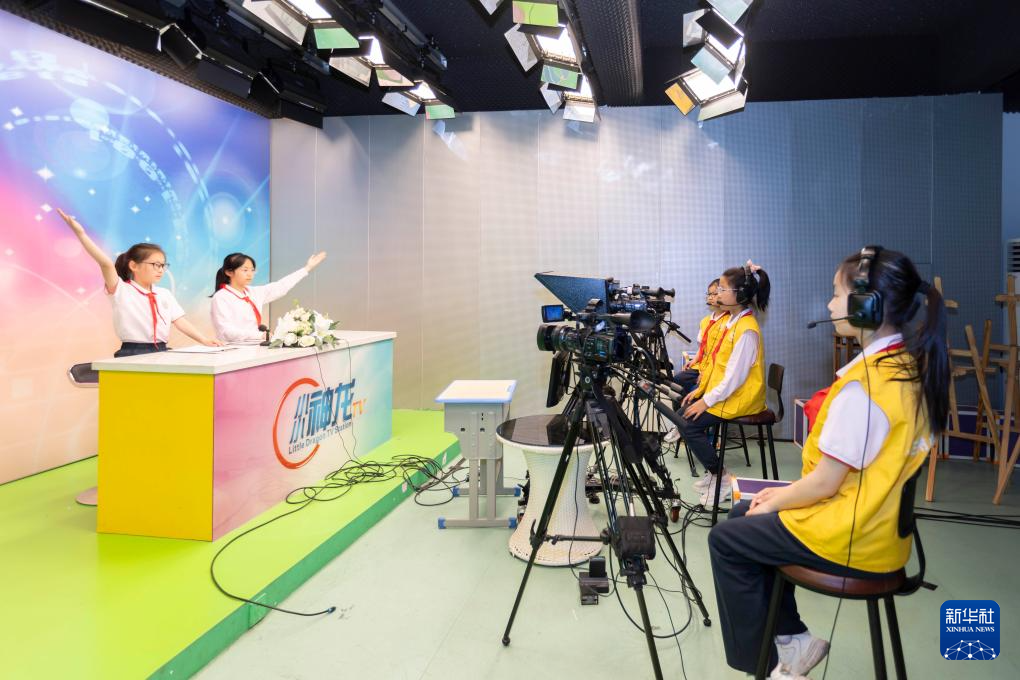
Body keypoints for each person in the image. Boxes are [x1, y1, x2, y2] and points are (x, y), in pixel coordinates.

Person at [707, 247, 947, 679]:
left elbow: (824, 484)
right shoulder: (904, 368)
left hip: (853, 536)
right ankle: (793, 638)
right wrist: (771, 501)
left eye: (836, 294)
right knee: (744, 512)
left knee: (726, 540)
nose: (830, 305)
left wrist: (775, 501)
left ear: (867, 305)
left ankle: (766, 667)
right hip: (882, 532)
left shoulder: (864, 387)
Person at [57, 209, 221, 357]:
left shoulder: (164, 294)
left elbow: (180, 321)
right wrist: (81, 234)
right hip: (132, 353)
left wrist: (204, 340)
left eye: (163, 265)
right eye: (155, 265)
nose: (161, 270)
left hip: (162, 351)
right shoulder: (121, 290)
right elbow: (106, 264)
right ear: (134, 265)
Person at [677, 262, 771, 505]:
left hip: (741, 397)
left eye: (722, 289)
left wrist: (705, 401)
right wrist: (701, 390)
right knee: (682, 416)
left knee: (688, 424)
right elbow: (715, 364)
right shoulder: (730, 322)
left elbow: (733, 378)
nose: (717, 293)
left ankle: (722, 478)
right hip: (728, 393)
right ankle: (714, 473)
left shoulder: (746, 330)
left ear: (739, 294)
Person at [209, 251, 327, 343]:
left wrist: (307, 268)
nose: (250, 274)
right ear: (229, 272)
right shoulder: (221, 297)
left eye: (252, 270)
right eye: (245, 270)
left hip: (254, 347)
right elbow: (226, 331)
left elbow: (281, 286)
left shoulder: (253, 292)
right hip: (230, 350)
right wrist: (259, 335)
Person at [664, 279, 728, 443]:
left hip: (714, 370)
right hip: (702, 366)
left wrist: (706, 374)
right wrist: (694, 361)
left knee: (698, 390)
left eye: (715, 294)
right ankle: (679, 421)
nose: (711, 297)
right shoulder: (705, 321)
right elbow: (702, 347)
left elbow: (721, 354)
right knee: (677, 380)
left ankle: (692, 426)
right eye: (709, 294)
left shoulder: (728, 321)